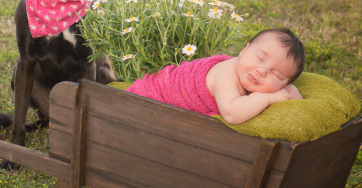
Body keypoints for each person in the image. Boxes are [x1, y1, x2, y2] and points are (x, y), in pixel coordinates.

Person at [125, 28, 305, 125]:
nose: (262, 71)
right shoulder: (225, 73)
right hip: (150, 96)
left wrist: (289, 90)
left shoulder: (254, 77)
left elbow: (293, 96)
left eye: (276, 74)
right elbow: (232, 114)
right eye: (259, 58)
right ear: (244, 49)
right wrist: (269, 97)